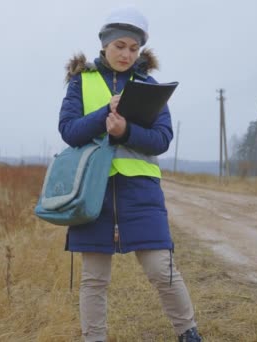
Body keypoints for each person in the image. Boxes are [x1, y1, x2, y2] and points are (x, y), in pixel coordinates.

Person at [58, 5, 203, 342]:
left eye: (133, 48)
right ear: (105, 44)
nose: (126, 54)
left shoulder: (150, 86)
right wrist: (103, 115)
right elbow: (68, 130)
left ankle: (188, 333)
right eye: (119, 46)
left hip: (141, 192)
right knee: (94, 279)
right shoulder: (81, 82)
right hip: (91, 192)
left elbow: (162, 139)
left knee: (161, 270)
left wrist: (125, 131)